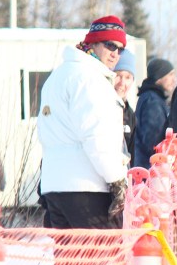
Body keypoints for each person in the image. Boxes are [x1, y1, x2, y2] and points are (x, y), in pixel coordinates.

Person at [36, 15, 128, 229]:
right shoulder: (89, 79)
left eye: (120, 49)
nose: (115, 53)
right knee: (101, 259)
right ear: (93, 43)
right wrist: (116, 180)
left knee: (69, 260)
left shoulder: (59, 75)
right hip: (87, 189)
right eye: (110, 45)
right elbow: (96, 135)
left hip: (55, 186)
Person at [132, 57, 177, 169]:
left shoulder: (153, 98)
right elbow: (153, 141)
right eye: (170, 75)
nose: (174, 79)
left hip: (148, 165)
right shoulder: (152, 101)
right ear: (159, 77)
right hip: (151, 168)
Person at [113, 48, 137, 159]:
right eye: (117, 75)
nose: (122, 83)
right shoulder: (99, 107)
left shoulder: (130, 114)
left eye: (127, 77)